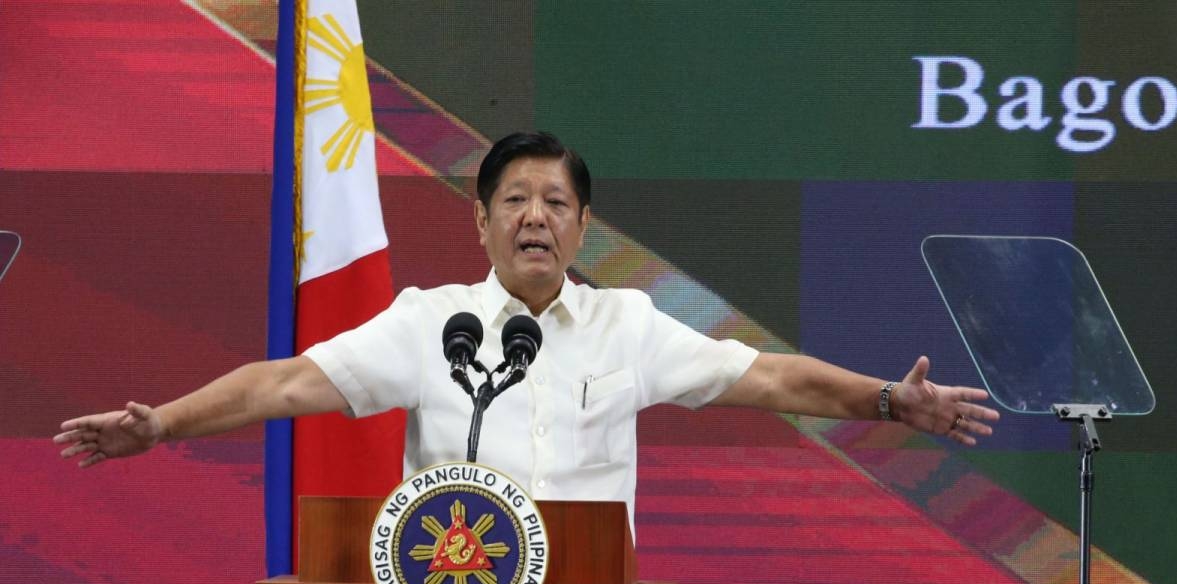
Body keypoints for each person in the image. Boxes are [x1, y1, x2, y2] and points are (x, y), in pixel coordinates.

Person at [55, 131, 997, 521]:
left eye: (554, 201)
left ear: (585, 227)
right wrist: (165, 423)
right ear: (481, 222)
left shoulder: (628, 323)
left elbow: (773, 379)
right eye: (514, 201)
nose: (535, 217)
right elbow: (285, 383)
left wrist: (885, 400)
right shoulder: (428, 323)